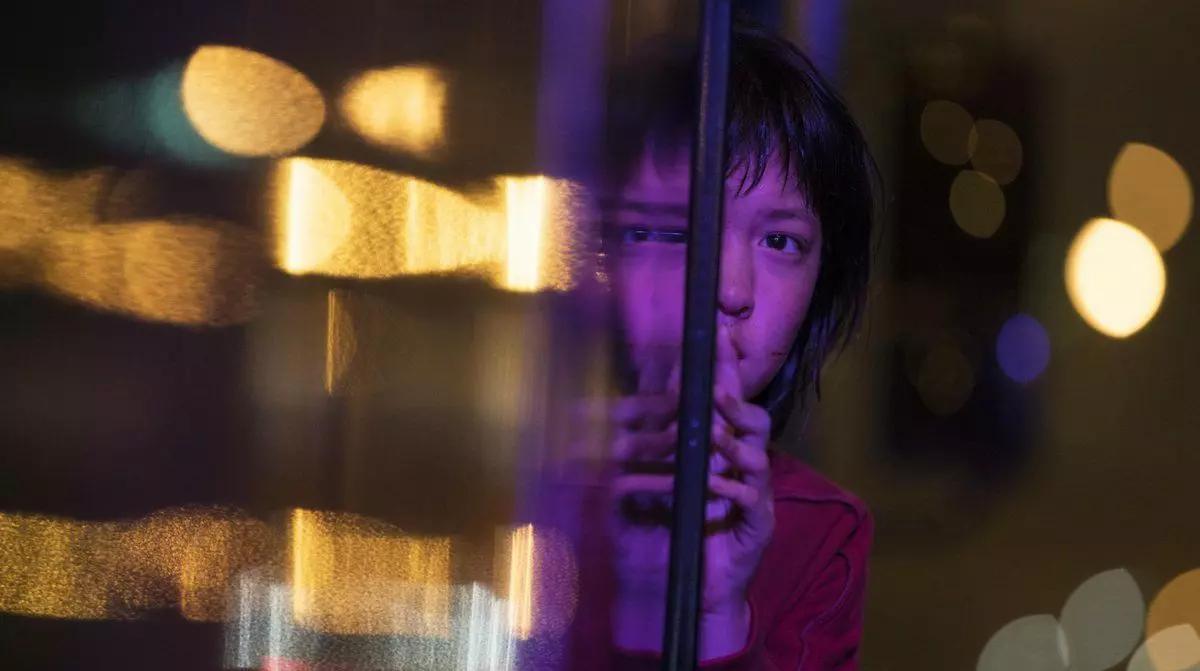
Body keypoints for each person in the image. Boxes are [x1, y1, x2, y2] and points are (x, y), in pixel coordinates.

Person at [570, 19, 879, 670]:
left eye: (781, 242)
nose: (731, 288)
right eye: (673, 229)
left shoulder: (820, 533)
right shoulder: (519, 477)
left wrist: (715, 612)